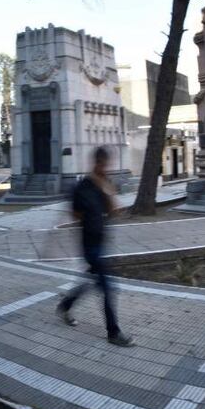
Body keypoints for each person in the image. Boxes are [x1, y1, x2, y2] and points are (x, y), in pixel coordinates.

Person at [56, 147, 134, 347]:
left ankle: (65, 305)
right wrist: (90, 221)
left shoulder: (105, 184)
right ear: (97, 163)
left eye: (108, 165)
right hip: (90, 245)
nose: (107, 168)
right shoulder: (82, 186)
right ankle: (113, 333)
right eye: (104, 164)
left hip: (101, 243)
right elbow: (75, 214)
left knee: (92, 280)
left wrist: (109, 195)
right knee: (108, 288)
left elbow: (113, 211)